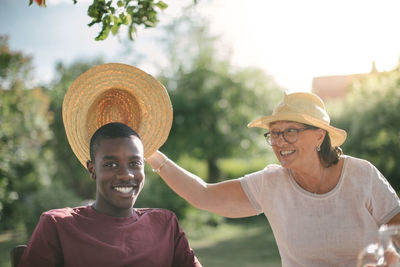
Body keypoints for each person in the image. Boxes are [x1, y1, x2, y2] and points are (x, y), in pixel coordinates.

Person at [147, 91, 400, 267]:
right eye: (274, 134)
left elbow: (397, 232)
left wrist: (388, 256)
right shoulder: (270, 184)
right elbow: (203, 195)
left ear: (319, 136)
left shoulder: (361, 175)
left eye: (290, 132)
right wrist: (150, 152)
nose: (279, 142)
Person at [19, 122, 202, 267]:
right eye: (111, 164)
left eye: (135, 163)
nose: (126, 174)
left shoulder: (165, 224)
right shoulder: (58, 225)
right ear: (92, 170)